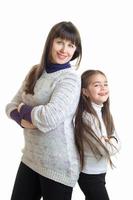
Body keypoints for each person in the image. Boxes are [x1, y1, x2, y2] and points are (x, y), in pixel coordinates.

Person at [5, 21, 82, 200]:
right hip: (30, 158)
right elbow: (10, 106)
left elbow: (49, 117)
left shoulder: (70, 79)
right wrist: (22, 120)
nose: (65, 49)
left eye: (71, 45)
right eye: (60, 42)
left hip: (58, 165)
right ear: (50, 42)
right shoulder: (35, 71)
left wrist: (23, 109)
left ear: (75, 51)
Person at [75, 69, 120, 200]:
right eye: (96, 85)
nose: (103, 88)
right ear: (84, 92)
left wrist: (110, 140)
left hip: (100, 172)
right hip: (89, 175)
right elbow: (107, 149)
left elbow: (116, 141)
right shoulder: (87, 118)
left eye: (105, 84)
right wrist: (111, 141)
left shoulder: (104, 113)